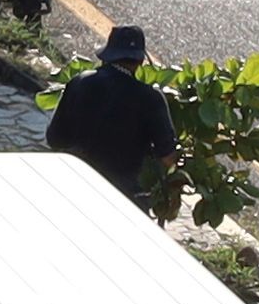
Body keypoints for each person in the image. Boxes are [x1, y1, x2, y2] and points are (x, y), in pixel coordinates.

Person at [42, 22, 175, 220]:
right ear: (140, 62)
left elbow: (54, 139)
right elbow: (168, 158)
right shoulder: (151, 98)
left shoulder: (80, 82)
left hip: (75, 186)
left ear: (108, 54)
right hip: (121, 198)